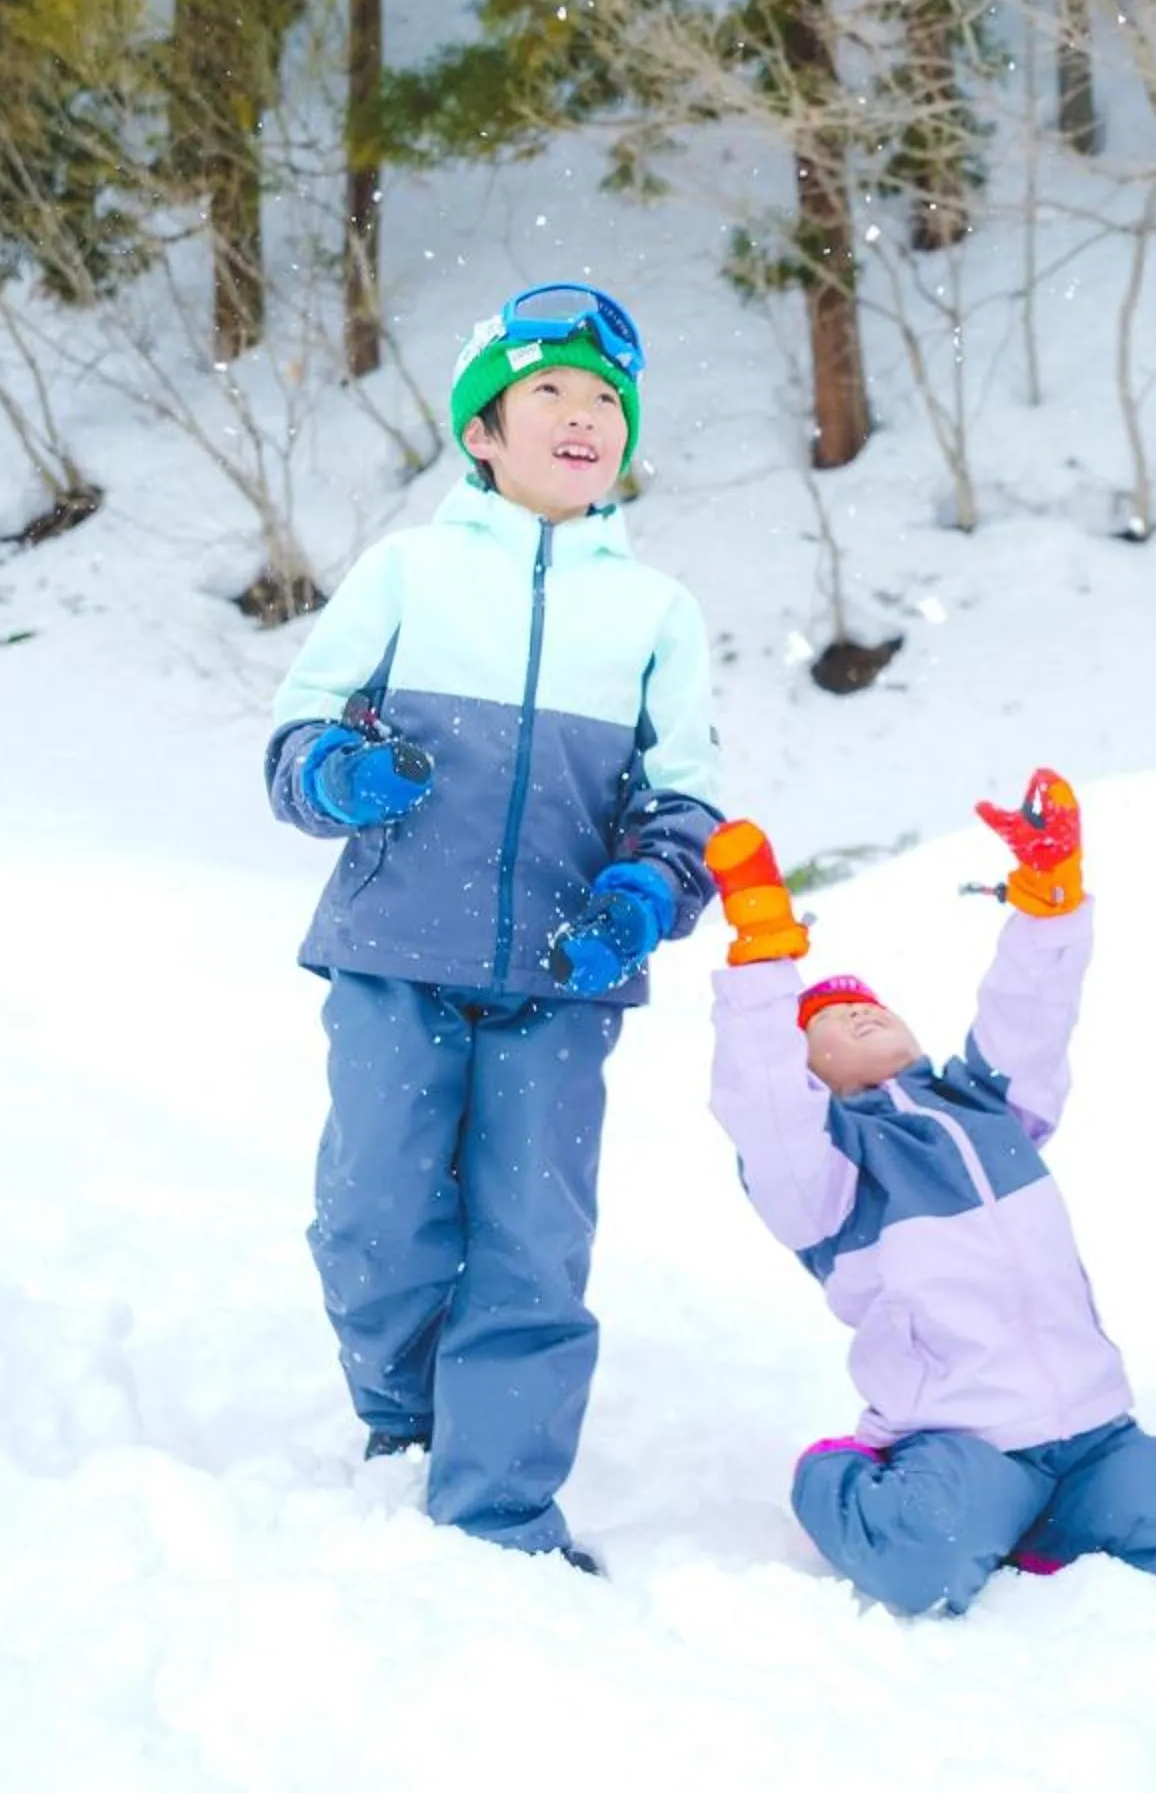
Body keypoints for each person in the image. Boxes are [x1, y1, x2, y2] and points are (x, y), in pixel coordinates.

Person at [264, 281, 720, 1568]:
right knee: (376, 1216)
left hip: (564, 975)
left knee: (533, 1241)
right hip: (394, 952)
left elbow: (685, 799)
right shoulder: (405, 573)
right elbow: (298, 735)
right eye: (550, 392)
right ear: (483, 431)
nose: (583, 417)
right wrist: (340, 775)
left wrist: (644, 894)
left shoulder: (656, 613)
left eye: (606, 400)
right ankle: (405, 1411)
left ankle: (500, 1507)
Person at [706, 771, 1156, 1628]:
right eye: (826, 1018)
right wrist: (765, 956)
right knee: (921, 1572)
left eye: (869, 1005)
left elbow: (1030, 1020)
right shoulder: (827, 1171)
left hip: (1095, 1436)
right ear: (804, 1068)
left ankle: (1035, 1527)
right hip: (963, 1441)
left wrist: (1050, 904)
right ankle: (835, 1478)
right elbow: (762, 1105)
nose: (857, 1012)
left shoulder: (988, 1108)